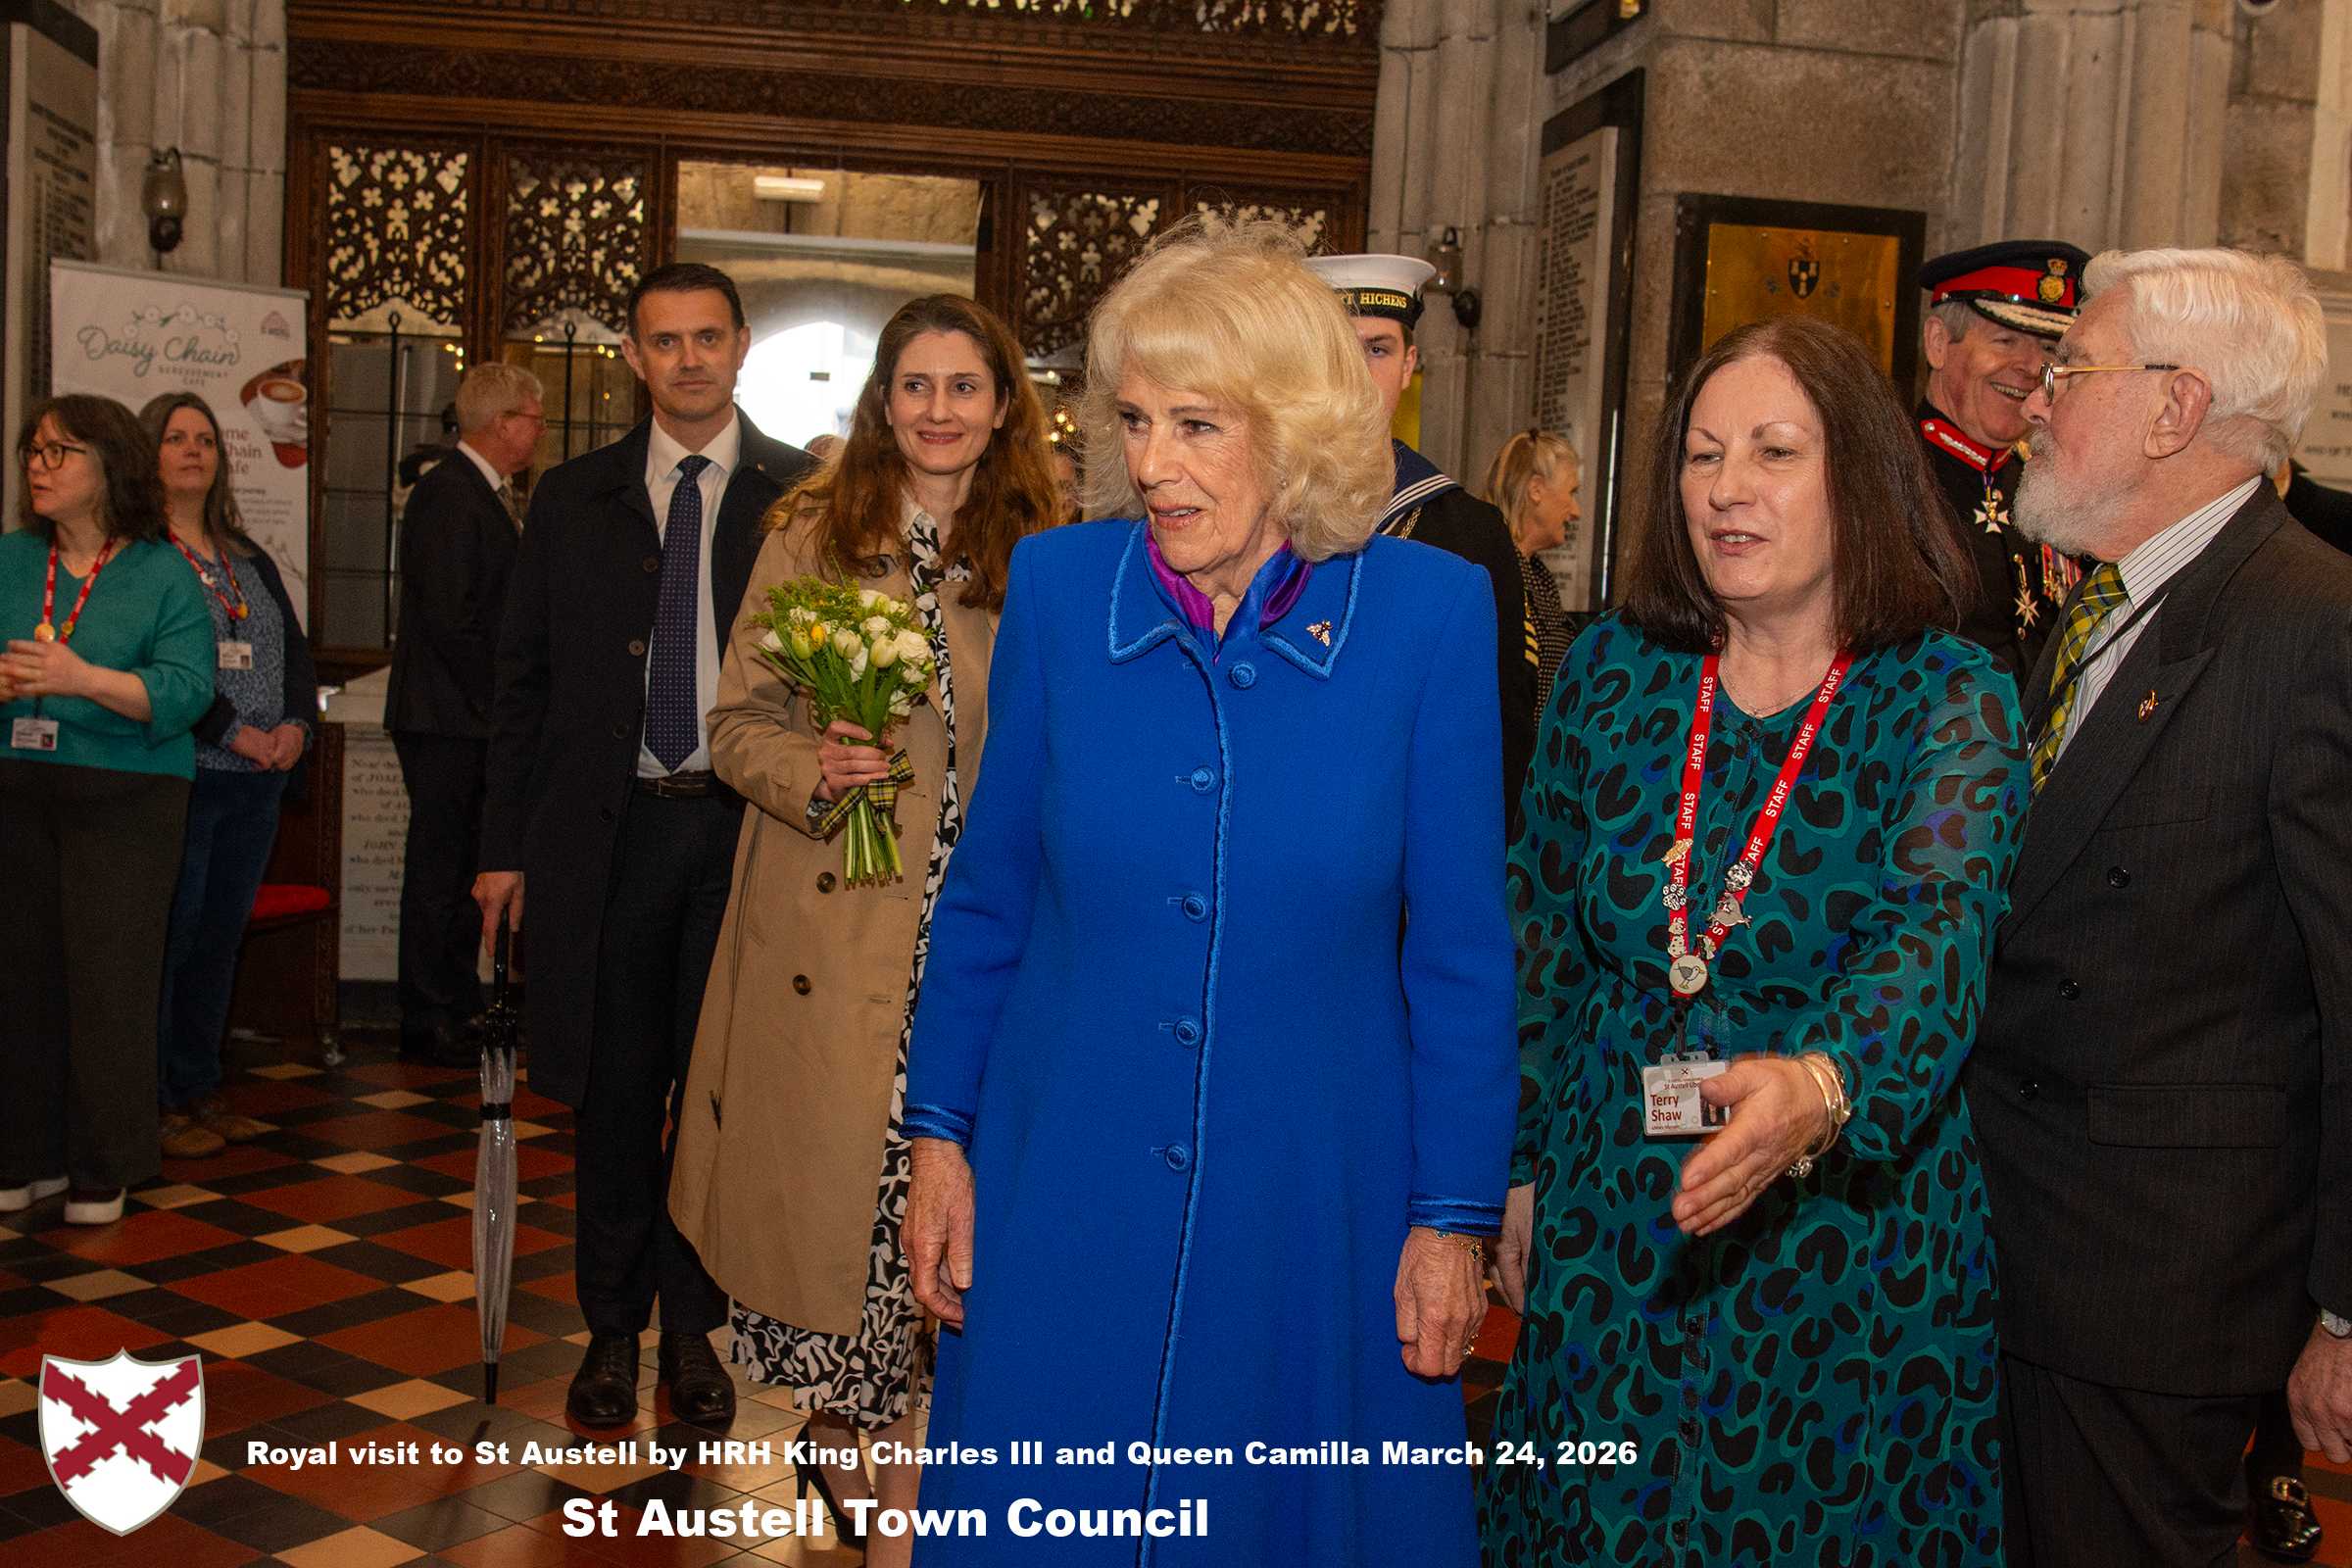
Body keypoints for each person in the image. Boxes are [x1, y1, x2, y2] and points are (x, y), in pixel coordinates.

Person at [898, 219, 1515, 1567]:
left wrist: (1452, 1218)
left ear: (1292, 430)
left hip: (1317, 1195)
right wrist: (938, 1140)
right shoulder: (1064, 589)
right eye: (1132, 420)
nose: (1150, 464)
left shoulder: (1427, 616)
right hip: (1066, 1172)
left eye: (1196, 425)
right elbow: (989, 897)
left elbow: (1462, 954)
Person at [1484, 316, 2026, 1566]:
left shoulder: (1945, 692)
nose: (1727, 488)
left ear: (1860, 478)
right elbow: (1543, 932)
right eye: (1703, 454)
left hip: (1842, 1238)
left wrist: (1822, 1081)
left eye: (1774, 452)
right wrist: (1511, 1165)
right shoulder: (1615, 667)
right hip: (1616, 1218)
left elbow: (1937, 931)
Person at [1963, 247, 2352, 1568]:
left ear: (2176, 411)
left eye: (2071, 370)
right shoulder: (2101, 607)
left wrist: (2347, 1316)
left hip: (2151, 1297)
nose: (2033, 402)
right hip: (2007, 1252)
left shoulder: (2313, 627)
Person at [668, 295, 1058, 1565]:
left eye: (964, 385)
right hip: (835, 941)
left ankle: (902, 1486)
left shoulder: (1052, 551)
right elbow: (732, 728)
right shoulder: (811, 535)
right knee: (855, 1236)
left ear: (1004, 403)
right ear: (882, 400)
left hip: (990, 942)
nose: (939, 409)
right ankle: (879, 1476)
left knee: (960, 1237)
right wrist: (814, 767)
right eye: (916, 384)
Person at [476, 263, 814, 1429]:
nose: (687, 360)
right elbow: (515, 689)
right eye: (663, 341)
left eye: (707, 338)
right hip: (603, 846)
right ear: (633, 354)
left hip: (745, 839)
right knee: (615, 1098)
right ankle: (610, 1335)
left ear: (741, 346)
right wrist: (500, 850)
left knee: (717, 1099)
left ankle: (696, 1337)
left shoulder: (804, 497)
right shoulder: (573, 499)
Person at [0, 395, 214, 1226]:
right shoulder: (13, 559)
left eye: (62, 453)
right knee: (19, 980)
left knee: (107, 983)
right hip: (17, 786)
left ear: (109, 468)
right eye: (34, 452)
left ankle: (101, 1162)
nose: (40, 467)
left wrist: (78, 678)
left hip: (129, 795)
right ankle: (24, 1153)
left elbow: (189, 691)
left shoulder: (162, 571)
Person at [1305, 252, 1537, 824]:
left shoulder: (1467, 532)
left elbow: (1503, 726)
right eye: (1337, 349)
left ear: (1409, 364)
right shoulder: (1254, 512)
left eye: (1377, 349)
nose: (1356, 373)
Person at [144, 392, 316, 1160]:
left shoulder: (245, 556)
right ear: (148, 455)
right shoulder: (141, 557)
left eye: (205, 440)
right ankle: (157, 1099)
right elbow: (160, 670)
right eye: (176, 439)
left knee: (218, 943)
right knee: (172, 941)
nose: (193, 451)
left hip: (257, 781)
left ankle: (201, 1085)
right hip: (187, 773)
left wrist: (294, 727)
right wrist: (235, 732)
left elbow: (292, 652)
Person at [384, 362, 544, 1067]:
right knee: (440, 869)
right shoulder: (450, 494)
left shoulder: (481, 493)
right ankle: (429, 1014)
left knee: (458, 869)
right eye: (534, 418)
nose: (539, 431)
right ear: (504, 422)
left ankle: (454, 1001)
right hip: (448, 717)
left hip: (463, 717)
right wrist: (505, 706)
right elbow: (455, 622)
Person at [1915, 239, 2092, 676]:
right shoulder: (1882, 478)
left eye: (2049, 349)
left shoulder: (2054, 480)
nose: (2031, 366)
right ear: (1939, 343)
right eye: (2005, 339)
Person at [1481, 427, 1586, 718]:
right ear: (1536, 489)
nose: (1576, 511)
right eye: (1571, 492)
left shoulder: (1538, 575)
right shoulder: (1491, 570)